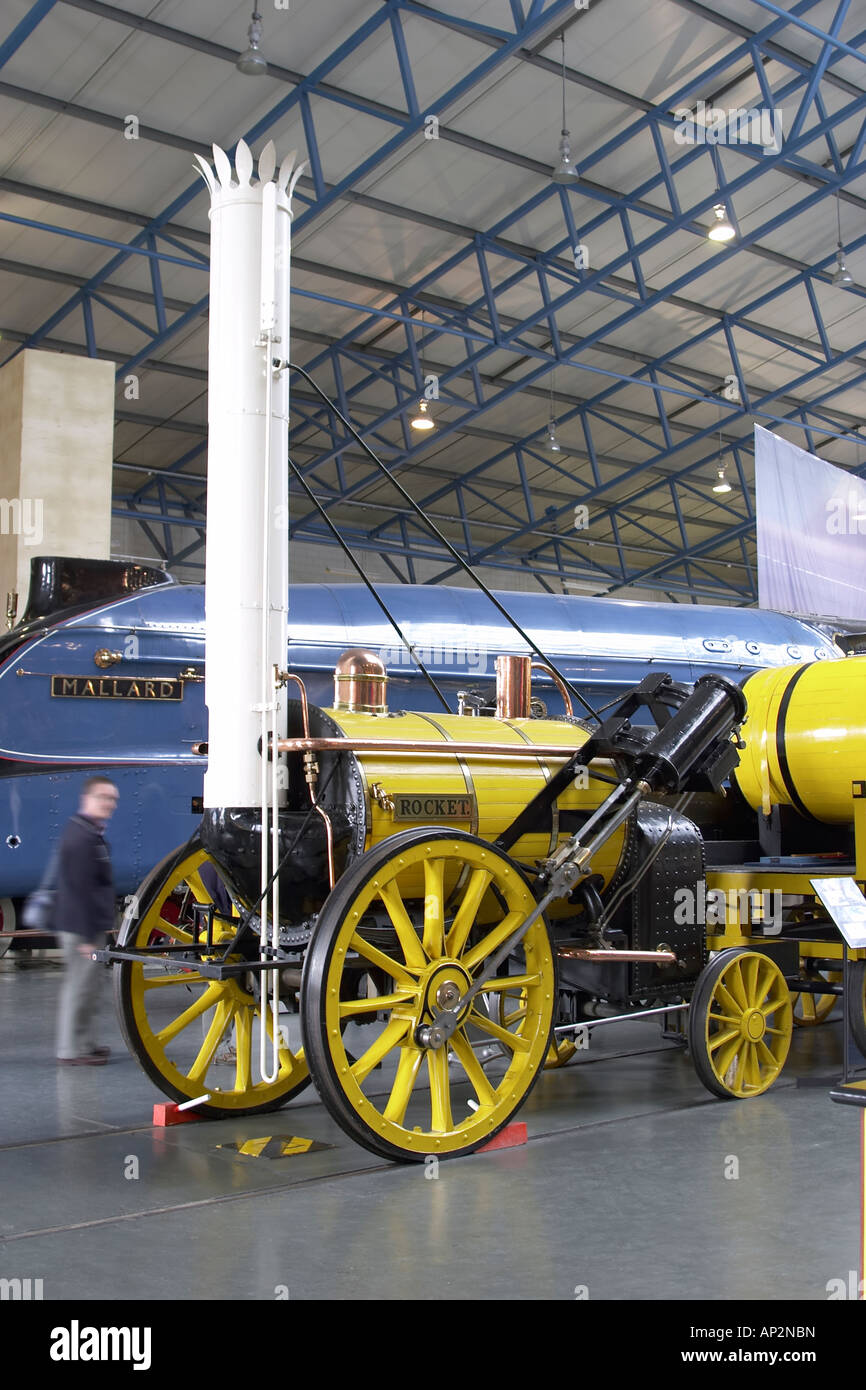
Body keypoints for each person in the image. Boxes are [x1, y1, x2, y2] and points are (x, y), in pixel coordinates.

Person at [55, 775, 119, 1066]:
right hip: (83, 929)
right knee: (80, 987)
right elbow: (79, 888)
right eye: (104, 798)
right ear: (87, 799)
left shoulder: (88, 832)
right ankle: (71, 1050)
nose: (109, 804)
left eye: (112, 799)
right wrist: (84, 937)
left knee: (90, 986)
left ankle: (86, 1043)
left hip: (90, 926)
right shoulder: (81, 837)